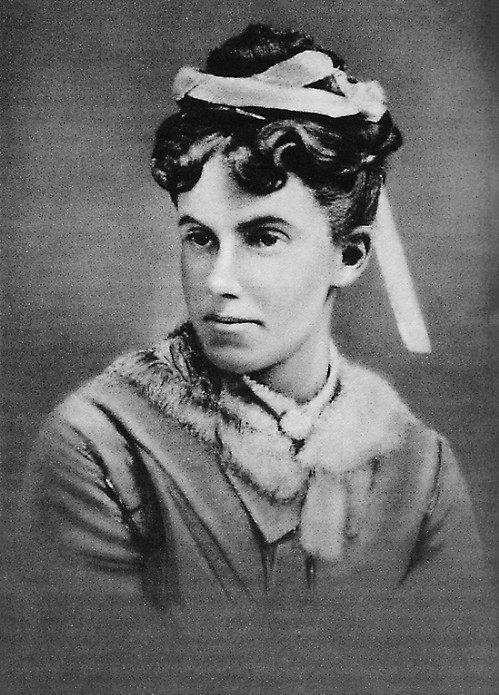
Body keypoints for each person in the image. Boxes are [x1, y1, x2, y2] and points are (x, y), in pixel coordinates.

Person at [24, 23, 488, 615]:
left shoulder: (420, 471)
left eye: (264, 237)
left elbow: (456, 658)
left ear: (349, 255)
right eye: (200, 238)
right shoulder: (100, 445)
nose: (219, 279)